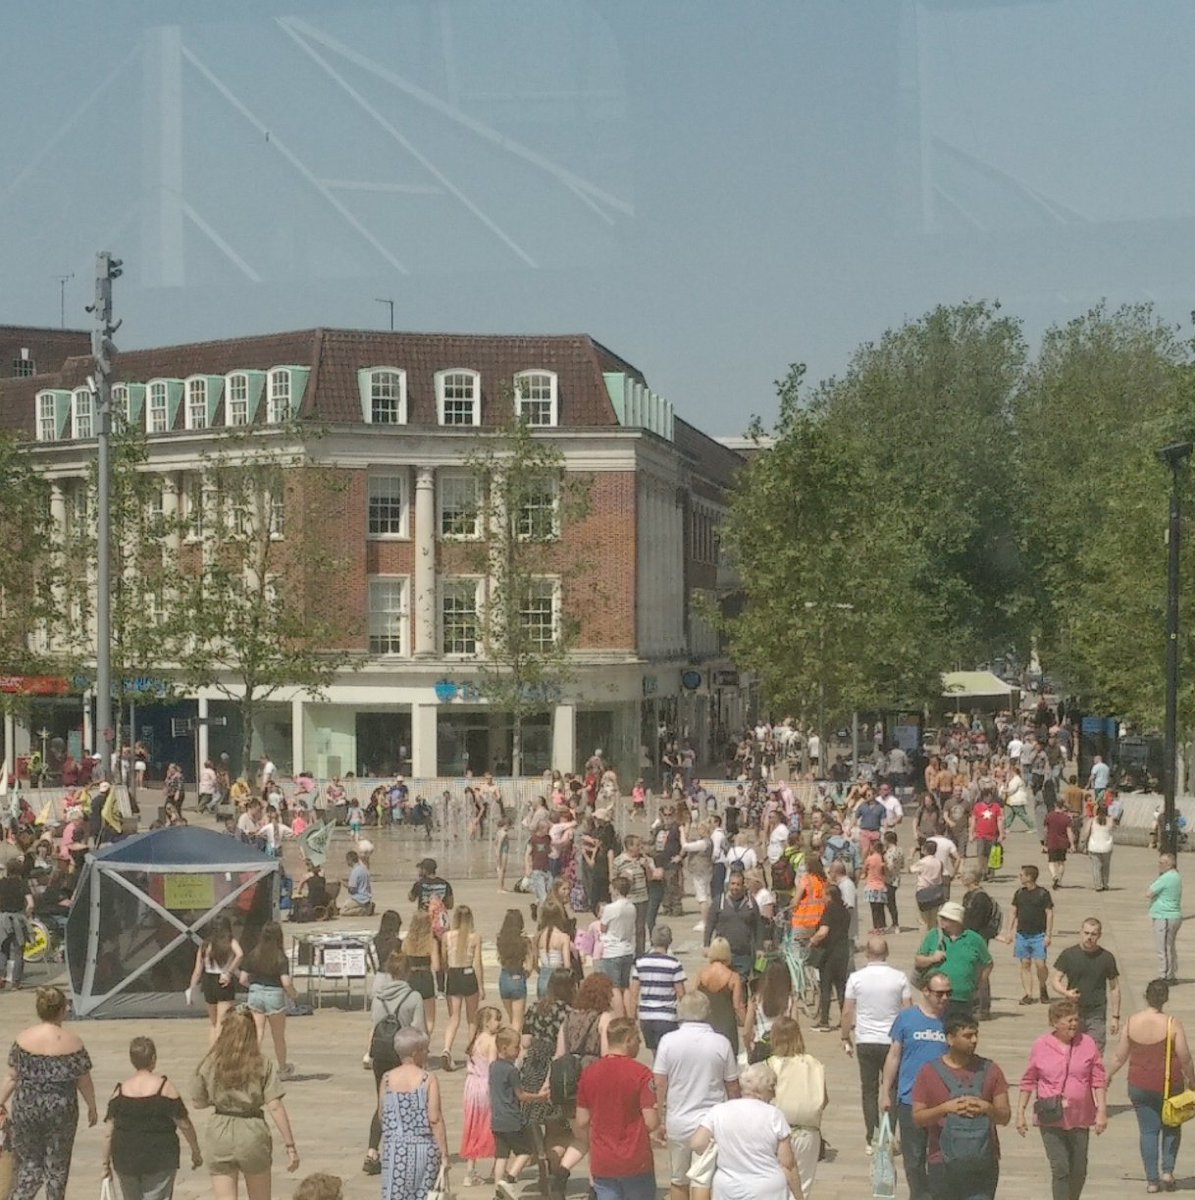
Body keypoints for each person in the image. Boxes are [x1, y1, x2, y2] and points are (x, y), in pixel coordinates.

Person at [191, 1006, 300, 1198]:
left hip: (220, 1130)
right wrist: (290, 1145)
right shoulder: (262, 1063)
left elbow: (197, 1102)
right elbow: (275, 1105)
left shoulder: (210, 1061)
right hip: (252, 1130)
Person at [0, 985, 97, 1200]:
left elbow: (12, 1076)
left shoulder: (23, 1039)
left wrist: (0, 1101)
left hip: (27, 1108)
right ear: (62, 1010)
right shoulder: (73, 1042)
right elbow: (84, 1081)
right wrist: (92, 1106)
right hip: (61, 1112)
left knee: (29, 1163)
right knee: (58, 1166)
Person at [911, 1012, 1011, 1200]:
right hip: (942, 1161)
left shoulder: (991, 1069)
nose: (974, 1040)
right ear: (950, 1039)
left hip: (983, 1163)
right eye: (967, 1036)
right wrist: (945, 1109)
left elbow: (1004, 1116)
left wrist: (987, 1108)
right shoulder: (928, 1071)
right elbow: (917, 1118)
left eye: (976, 1035)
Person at [1108, 978, 1195, 1193]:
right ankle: (1167, 1171)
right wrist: (1192, 1080)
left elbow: (1119, 1057)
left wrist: (1107, 1075)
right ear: (1165, 998)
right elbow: (1185, 1057)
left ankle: (1152, 1181)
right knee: (1172, 1126)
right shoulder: (1171, 1023)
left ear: (1146, 996)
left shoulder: (1132, 1022)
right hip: (1169, 1085)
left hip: (1139, 1084)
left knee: (1148, 1131)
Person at [1016, 1000, 1107, 1200]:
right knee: (1061, 1168)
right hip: (1051, 1117)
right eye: (1069, 1021)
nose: (1074, 1024)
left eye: (1076, 1019)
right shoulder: (1041, 1045)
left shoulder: (1088, 1043)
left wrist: (1101, 1111)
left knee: (1079, 1169)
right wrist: (1020, 1113)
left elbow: (1098, 1078)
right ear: (1055, 1023)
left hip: (1080, 1116)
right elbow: (1028, 1080)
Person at [654, 992, 740, 1200]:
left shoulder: (668, 1041)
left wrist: (659, 1119)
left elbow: (659, 1083)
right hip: (711, 1123)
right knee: (704, 1181)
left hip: (678, 1120)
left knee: (678, 1180)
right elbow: (733, 1086)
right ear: (707, 1012)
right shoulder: (721, 1043)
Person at [101, 1036, 203, 1200]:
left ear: (132, 1060)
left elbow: (108, 1133)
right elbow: (184, 1124)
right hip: (160, 1157)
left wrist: (105, 1165)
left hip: (125, 1158)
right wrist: (195, 1150)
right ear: (153, 1059)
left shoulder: (119, 1092)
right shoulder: (165, 1089)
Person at [690, 1061, 805, 1200]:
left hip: (728, 1187)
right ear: (765, 1089)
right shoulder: (774, 1115)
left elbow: (697, 1143)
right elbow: (787, 1163)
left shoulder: (719, 1111)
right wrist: (799, 1195)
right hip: (767, 1188)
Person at [882, 972, 951, 1200]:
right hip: (910, 1099)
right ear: (926, 991)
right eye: (939, 993)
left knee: (941, 1157)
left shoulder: (952, 1021)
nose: (944, 998)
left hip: (944, 1102)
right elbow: (894, 1055)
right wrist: (885, 1092)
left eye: (948, 993)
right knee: (913, 1158)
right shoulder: (907, 1018)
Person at [575, 1017, 660, 1200]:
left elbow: (581, 1120)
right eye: (637, 1039)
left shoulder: (589, 1073)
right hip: (635, 1159)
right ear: (628, 1039)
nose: (640, 1043)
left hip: (603, 1160)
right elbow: (651, 1122)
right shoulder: (642, 1074)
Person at [841, 935, 913, 1151]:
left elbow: (847, 1012)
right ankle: (889, 1133)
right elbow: (908, 1009)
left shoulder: (856, 978)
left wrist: (845, 1036)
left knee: (869, 1089)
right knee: (892, 1087)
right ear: (887, 953)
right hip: (893, 1041)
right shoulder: (899, 977)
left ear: (867, 953)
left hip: (866, 1040)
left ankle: (872, 1136)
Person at [362, 952, 426, 1175]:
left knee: (382, 1102)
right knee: (407, 1102)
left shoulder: (378, 997)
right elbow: (419, 1031)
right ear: (408, 972)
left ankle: (372, 1151)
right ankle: (403, 1151)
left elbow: (374, 1024)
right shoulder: (414, 997)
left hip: (380, 1054)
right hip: (403, 1055)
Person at [378, 1027, 449, 1200]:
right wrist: (444, 1153)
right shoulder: (428, 1078)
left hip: (394, 1148)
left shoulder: (387, 1078)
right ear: (416, 1053)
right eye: (425, 1049)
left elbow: (382, 1114)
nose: (427, 1053)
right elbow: (435, 1119)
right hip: (423, 1148)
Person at [766, 1015, 827, 1198]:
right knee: (803, 1187)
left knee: (775, 1187)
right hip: (809, 1132)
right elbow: (824, 1100)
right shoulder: (813, 1064)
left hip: (777, 1131)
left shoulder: (771, 1064)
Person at [238, 920, 299, 1079]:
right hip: (274, 995)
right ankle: (283, 1069)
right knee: (278, 1036)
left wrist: (254, 987)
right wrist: (293, 994)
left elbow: (242, 979)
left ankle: (251, 1068)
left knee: (257, 1033)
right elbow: (286, 982)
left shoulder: (253, 954)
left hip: (256, 993)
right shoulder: (280, 958)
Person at [1050, 918, 1121, 1054]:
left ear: (1099, 935)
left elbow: (1114, 987)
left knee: (1096, 1053)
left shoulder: (1106, 957)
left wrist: (1115, 1017)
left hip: (1097, 1013)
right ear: (1080, 932)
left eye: (1093, 934)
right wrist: (1066, 993)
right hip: (1072, 1012)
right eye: (1086, 933)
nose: (1089, 937)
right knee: (1069, 1051)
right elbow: (1055, 980)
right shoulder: (1069, 955)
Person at [493, 1026, 548, 1199]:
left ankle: (497, 1190)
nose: (519, 1051)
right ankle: (508, 1181)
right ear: (504, 1048)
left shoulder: (493, 1067)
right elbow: (521, 1095)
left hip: (496, 1119)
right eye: (516, 1047)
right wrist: (540, 1097)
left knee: (501, 1155)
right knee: (525, 1151)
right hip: (512, 1118)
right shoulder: (512, 1071)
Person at [460, 1006, 502, 1187]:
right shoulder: (492, 1041)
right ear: (486, 1022)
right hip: (485, 1086)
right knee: (491, 1124)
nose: (499, 1022)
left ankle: (470, 1170)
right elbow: (493, 1068)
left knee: (472, 1125)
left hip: (471, 1085)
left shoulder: (476, 1039)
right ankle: (496, 1166)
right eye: (496, 1019)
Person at [629, 923, 687, 1052]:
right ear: (670, 941)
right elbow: (682, 994)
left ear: (652, 940)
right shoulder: (674, 964)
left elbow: (633, 994)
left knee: (656, 1055)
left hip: (646, 1016)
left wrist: (632, 1017)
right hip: (667, 1017)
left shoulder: (640, 963)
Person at [440, 905, 484, 1071]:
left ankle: (446, 1049)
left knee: (454, 1017)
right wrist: (481, 985)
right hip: (468, 973)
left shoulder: (447, 936)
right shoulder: (475, 937)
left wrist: (447, 973)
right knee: (472, 1018)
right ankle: (470, 1054)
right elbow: (477, 963)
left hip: (453, 974)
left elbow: (444, 960)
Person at [1004, 864, 1054, 1006]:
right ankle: (1028, 994)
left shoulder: (1043, 893)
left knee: (1040, 964)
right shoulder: (1019, 893)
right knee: (1025, 963)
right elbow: (1013, 911)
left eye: (1022, 875)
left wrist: (1048, 934)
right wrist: (1009, 931)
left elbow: (1049, 913)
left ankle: (1043, 986)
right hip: (1022, 934)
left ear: (1029, 877)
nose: (1020, 877)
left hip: (1039, 934)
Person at [189, 916, 244, 1045]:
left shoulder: (205, 944)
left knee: (213, 1023)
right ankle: (221, 1053)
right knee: (222, 1021)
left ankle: (213, 1054)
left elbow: (197, 971)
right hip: (223, 980)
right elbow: (240, 954)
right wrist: (230, 972)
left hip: (208, 980)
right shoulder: (229, 941)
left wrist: (191, 991)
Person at [706, 868, 761, 983]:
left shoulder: (750, 903)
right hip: (723, 953)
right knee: (723, 984)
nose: (735, 887)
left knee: (741, 984)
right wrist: (706, 945)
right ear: (728, 884)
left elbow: (758, 926)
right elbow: (710, 924)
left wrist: (759, 948)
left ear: (743, 886)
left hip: (743, 953)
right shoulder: (719, 902)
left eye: (738, 884)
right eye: (733, 884)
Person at [811, 883, 853, 1032]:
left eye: (824, 895)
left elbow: (823, 932)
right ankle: (845, 1019)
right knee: (841, 987)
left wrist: (812, 940)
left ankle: (824, 1021)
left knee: (826, 987)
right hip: (843, 952)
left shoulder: (829, 911)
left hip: (829, 954)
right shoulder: (845, 910)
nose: (822, 897)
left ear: (829, 896)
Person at [696, 937, 745, 1056]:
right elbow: (737, 1006)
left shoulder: (701, 974)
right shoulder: (733, 977)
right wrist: (747, 1023)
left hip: (706, 1024)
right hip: (727, 1025)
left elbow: (695, 1000)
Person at [600, 877, 638, 1016]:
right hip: (627, 949)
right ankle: (629, 1015)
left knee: (614, 987)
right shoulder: (631, 907)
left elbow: (603, 927)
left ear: (616, 890)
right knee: (625, 986)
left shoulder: (611, 908)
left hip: (613, 950)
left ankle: (620, 1016)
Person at [745, 959, 794, 1064]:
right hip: (783, 1047)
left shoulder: (755, 999)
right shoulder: (790, 1000)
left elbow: (746, 1031)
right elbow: (794, 1027)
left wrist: (749, 1050)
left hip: (761, 1047)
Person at [403, 912, 442, 1037]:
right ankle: (425, 1041)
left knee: (410, 1013)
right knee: (429, 1017)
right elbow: (436, 966)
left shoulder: (406, 941)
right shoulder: (432, 942)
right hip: (425, 977)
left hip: (410, 977)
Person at [496, 908, 534, 1032]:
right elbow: (529, 965)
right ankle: (515, 1047)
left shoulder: (500, 939)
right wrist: (525, 974)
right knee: (518, 1022)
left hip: (504, 977)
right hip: (518, 976)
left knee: (512, 1018)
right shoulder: (525, 941)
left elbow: (499, 959)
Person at [1148, 853, 1183, 983]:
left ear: (1169, 864)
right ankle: (1171, 973)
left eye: (1161, 863)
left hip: (1165, 916)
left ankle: (1165, 976)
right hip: (1171, 916)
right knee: (1170, 946)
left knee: (1163, 947)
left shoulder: (1167, 877)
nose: (1159, 865)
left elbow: (1149, 892)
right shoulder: (1176, 876)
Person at [0, 857, 33, 991]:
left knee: (3, 948)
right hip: (18, 918)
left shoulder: (1, 883)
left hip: (3, 918)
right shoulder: (23, 883)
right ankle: (16, 983)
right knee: (19, 951)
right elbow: (31, 904)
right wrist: (26, 914)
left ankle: (1, 977)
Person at [535, 901, 575, 999]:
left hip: (543, 977)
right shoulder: (563, 937)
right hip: (557, 979)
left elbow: (535, 963)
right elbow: (567, 965)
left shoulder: (538, 936)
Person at [1043, 803, 1075, 889]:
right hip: (1063, 843)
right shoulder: (1066, 818)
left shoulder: (1049, 816)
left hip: (1051, 841)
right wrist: (1072, 844)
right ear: (1063, 807)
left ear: (1055, 806)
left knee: (1051, 861)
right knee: (1061, 862)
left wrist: (1044, 842)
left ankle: (1054, 876)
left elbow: (1045, 830)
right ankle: (1059, 880)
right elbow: (1069, 832)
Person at [1086, 804, 1115, 891]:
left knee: (1096, 867)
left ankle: (1098, 885)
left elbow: (1087, 832)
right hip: (1107, 846)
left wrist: (1084, 842)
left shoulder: (1092, 820)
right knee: (1106, 866)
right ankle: (1105, 884)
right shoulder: (1110, 820)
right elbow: (1113, 829)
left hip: (1094, 846)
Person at [341, 850, 374, 917]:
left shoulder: (355, 872)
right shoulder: (364, 869)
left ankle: (363, 910)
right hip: (366, 896)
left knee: (343, 911)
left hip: (359, 898)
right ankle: (367, 906)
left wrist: (343, 884)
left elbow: (352, 889)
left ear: (350, 860)